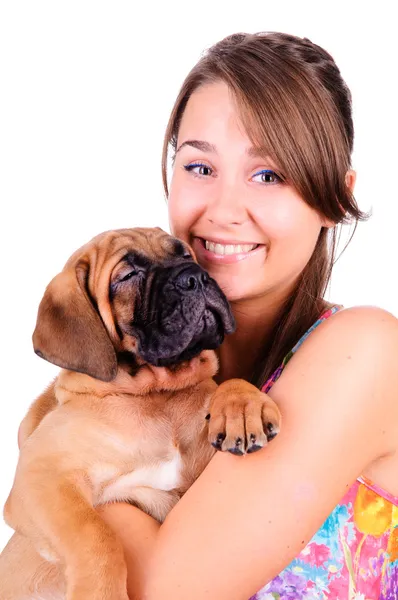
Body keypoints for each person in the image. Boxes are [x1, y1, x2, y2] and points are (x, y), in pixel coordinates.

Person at [99, 32, 398, 599]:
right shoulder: (158, 372)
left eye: (269, 175)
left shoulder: (368, 351)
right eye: (199, 167)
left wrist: (60, 473)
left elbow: (169, 591)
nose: (223, 210)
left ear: (335, 194)